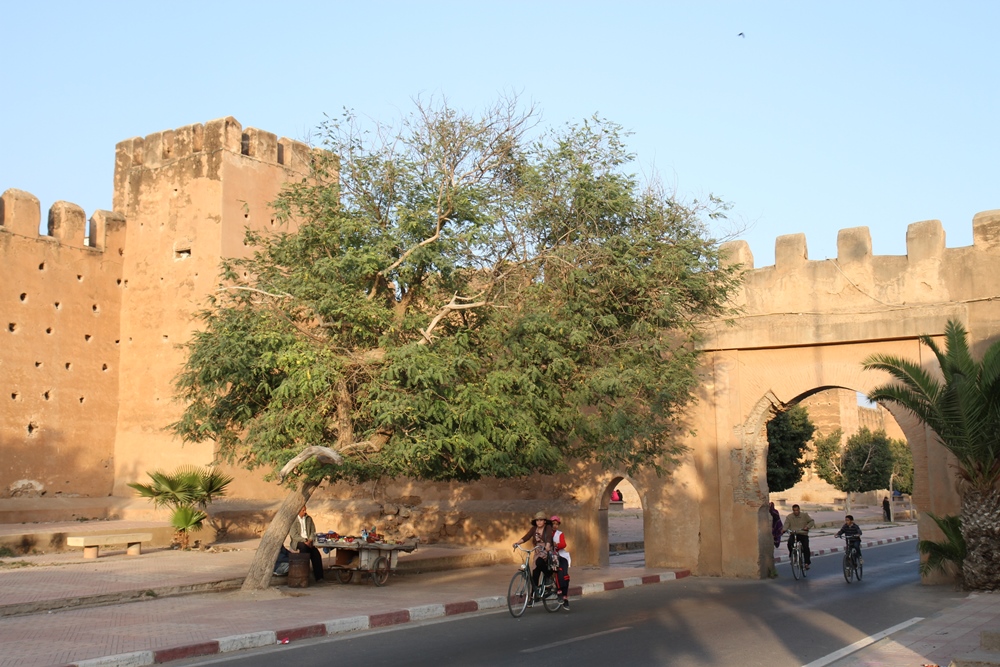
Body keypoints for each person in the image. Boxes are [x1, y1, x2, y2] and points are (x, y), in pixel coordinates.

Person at [513, 511, 555, 604]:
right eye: (537, 520)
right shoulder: (534, 529)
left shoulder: (547, 527)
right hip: (537, 550)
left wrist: (548, 545)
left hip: (546, 550)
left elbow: (548, 537)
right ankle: (532, 596)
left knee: (539, 562)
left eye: (541, 520)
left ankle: (549, 576)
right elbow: (526, 537)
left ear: (544, 521)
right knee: (535, 573)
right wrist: (517, 543)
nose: (539, 522)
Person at [288, 504, 325, 583]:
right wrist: (304, 540)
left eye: (305, 510)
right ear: (298, 511)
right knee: (304, 550)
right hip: (298, 541)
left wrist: (310, 540)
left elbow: (313, 531)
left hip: (308, 541)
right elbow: (294, 535)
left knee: (316, 554)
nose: (305, 512)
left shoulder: (309, 519)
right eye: (303, 510)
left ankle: (319, 577)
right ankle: (304, 576)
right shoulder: (293, 520)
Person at [784, 504, 815, 569]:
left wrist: (807, 527)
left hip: (803, 534)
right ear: (793, 510)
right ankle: (793, 556)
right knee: (789, 543)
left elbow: (811, 521)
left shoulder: (804, 515)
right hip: (794, 534)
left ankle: (807, 563)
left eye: (797, 510)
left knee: (806, 547)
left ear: (799, 510)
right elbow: (786, 524)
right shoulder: (789, 517)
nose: (796, 512)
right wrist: (784, 529)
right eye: (794, 510)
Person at [550, 515, 571, 610]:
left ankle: (565, 597)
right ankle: (559, 592)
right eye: (553, 524)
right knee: (558, 572)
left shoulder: (560, 534)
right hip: (552, 557)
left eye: (556, 524)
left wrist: (556, 545)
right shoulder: (547, 533)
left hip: (561, 556)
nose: (555, 526)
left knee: (565, 576)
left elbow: (563, 544)